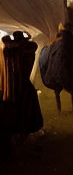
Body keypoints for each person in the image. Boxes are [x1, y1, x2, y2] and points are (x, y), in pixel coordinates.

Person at [0, 30, 44, 158]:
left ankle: (20, 141)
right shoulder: (28, 50)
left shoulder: (12, 53)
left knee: (19, 113)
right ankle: (23, 140)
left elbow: (8, 48)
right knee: (26, 114)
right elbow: (32, 45)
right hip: (24, 87)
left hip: (15, 88)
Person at [38, 26, 73, 113]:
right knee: (70, 91)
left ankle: (60, 109)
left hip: (59, 73)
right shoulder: (69, 45)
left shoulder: (59, 44)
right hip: (66, 72)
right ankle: (71, 109)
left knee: (58, 91)